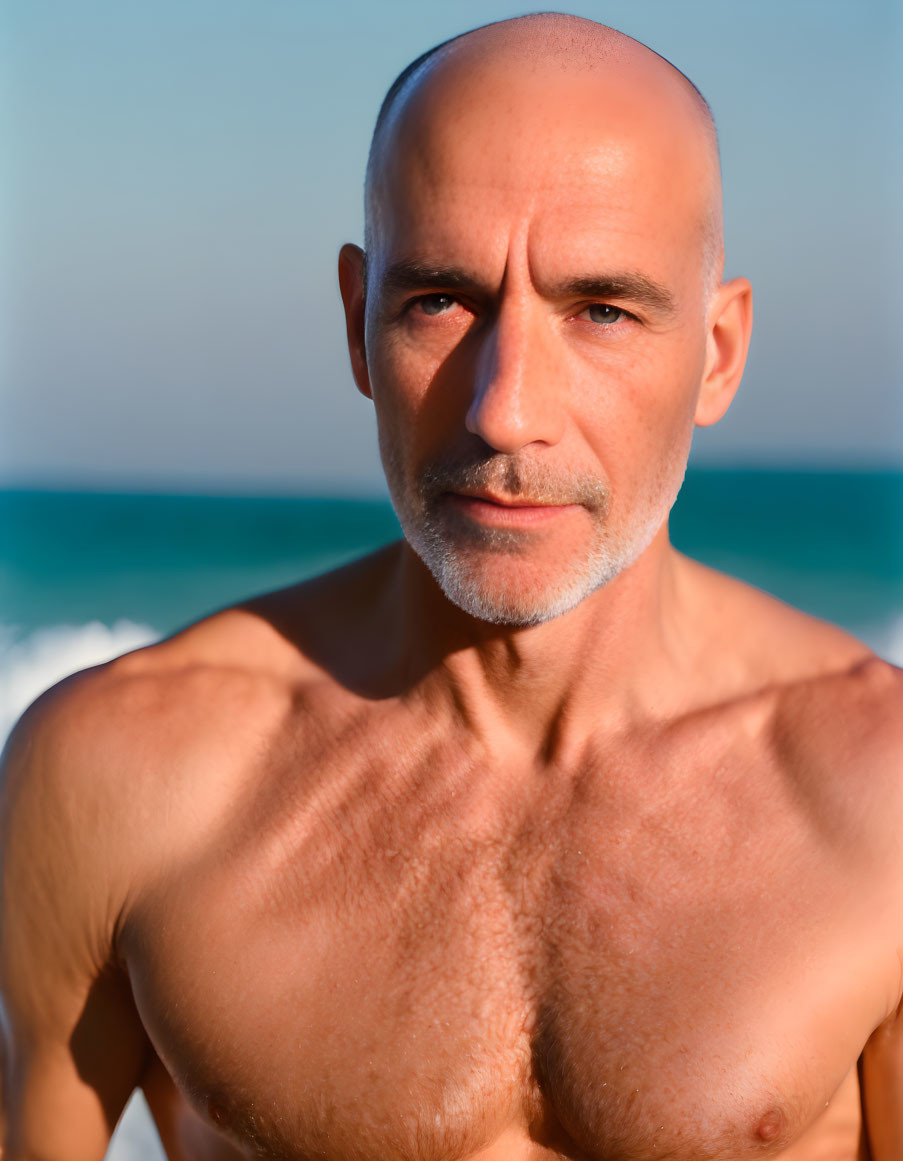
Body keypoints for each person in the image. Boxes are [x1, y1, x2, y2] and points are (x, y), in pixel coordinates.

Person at [1, 12, 901, 1161]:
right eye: (440, 301)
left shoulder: (880, 796)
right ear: (354, 321)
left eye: (602, 311)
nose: (503, 409)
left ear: (718, 353)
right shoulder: (119, 774)